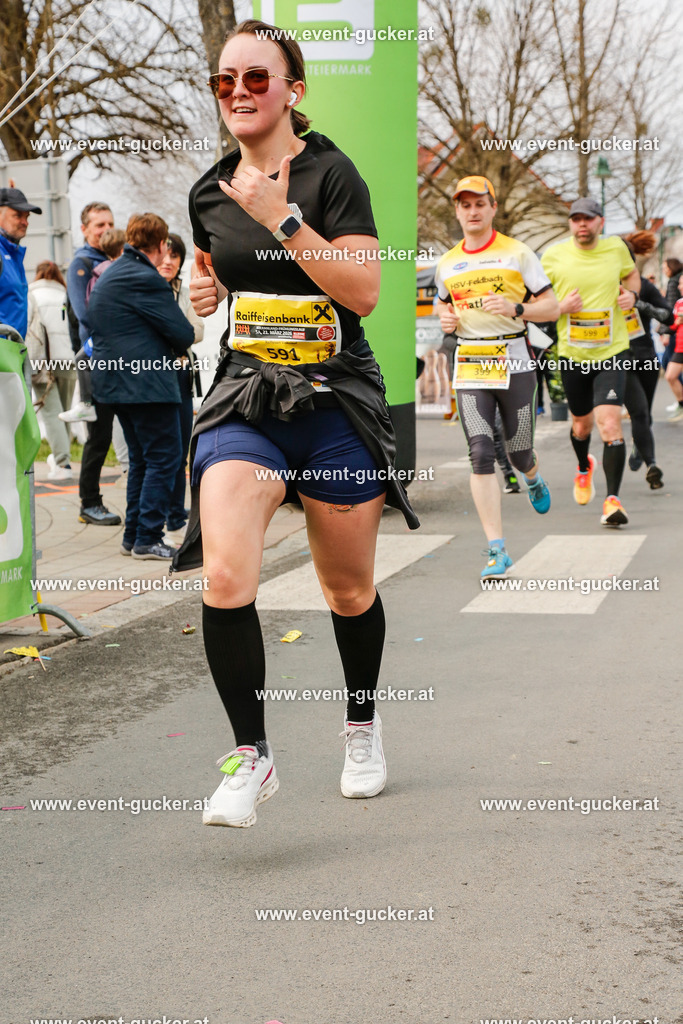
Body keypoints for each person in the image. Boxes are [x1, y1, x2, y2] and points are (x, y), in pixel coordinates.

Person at [172, 18, 418, 828]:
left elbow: (363, 294)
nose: (238, 92)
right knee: (225, 575)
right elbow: (214, 285)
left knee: (346, 590)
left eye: (255, 78)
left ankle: (360, 725)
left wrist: (283, 217)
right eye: (224, 81)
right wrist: (200, 299)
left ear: (292, 91)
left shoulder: (332, 175)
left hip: (334, 401)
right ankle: (252, 756)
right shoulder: (207, 191)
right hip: (247, 398)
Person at [435, 175, 560, 578]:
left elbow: (552, 307)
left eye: (479, 204)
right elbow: (442, 307)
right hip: (471, 364)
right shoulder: (448, 262)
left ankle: (533, 476)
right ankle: (497, 549)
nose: (472, 211)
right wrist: (447, 320)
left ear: (492, 208)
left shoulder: (517, 253)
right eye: (464, 205)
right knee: (481, 453)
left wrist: (516, 308)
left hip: (516, 360)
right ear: (457, 210)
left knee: (518, 452)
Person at [88, 213, 195, 559]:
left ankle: (132, 537)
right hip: (146, 384)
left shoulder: (113, 272)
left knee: (141, 461)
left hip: (115, 384)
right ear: (162, 245)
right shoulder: (145, 277)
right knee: (165, 458)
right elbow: (183, 332)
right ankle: (149, 537)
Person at [541, 198, 641, 527]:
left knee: (610, 424)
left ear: (601, 221)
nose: (581, 224)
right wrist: (560, 306)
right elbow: (536, 300)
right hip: (573, 354)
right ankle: (584, 466)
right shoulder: (555, 256)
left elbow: (632, 277)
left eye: (588, 218)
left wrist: (632, 296)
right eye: (575, 219)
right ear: (570, 224)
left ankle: (612, 501)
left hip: (613, 350)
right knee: (581, 425)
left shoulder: (616, 249)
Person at [66, 202, 122, 527]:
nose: (105, 229)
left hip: (121, 361)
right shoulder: (81, 263)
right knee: (98, 436)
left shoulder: (115, 259)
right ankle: (89, 503)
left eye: (110, 223)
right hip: (96, 361)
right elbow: (85, 314)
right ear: (85, 229)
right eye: (99, 224)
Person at [157, 232, 205, 546]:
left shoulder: (185, 293)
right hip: (154, 376)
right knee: (160, 451)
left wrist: (175, 336)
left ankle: (176, 515)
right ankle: (156, 517)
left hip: (182, 375)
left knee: (181, 447)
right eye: (163, 255)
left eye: (174, 256)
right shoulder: (147, 290)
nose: (168, 262)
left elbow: (196, 332)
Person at [620, 231, 672, 485]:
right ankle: (652, 465)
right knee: (639, 411)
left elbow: (669, 316)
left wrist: (639, 303)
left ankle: (638, 446)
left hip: (646, 357)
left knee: (645, 413)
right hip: (619, 359)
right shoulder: (600, 290)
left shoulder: (645, 286)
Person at [26, 261, 76, 481]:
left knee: (51, 413)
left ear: (38, 275)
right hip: (70, 359)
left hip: (42, 361)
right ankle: (64, 460)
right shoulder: (66, 294)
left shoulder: (31, 295)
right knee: (64, 412)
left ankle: (63, 464)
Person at [0, 185, 42, 337]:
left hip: (11, 352)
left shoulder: (13, 254)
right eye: (18, 215)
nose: (25, 222)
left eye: (27, 217)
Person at [667, 273, 683, 421]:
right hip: (680, 346)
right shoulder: (679, 303)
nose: (679, 286)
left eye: (681, 283)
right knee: (670, 376)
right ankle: (681, 404)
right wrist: (676, 323)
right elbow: (671, 324)